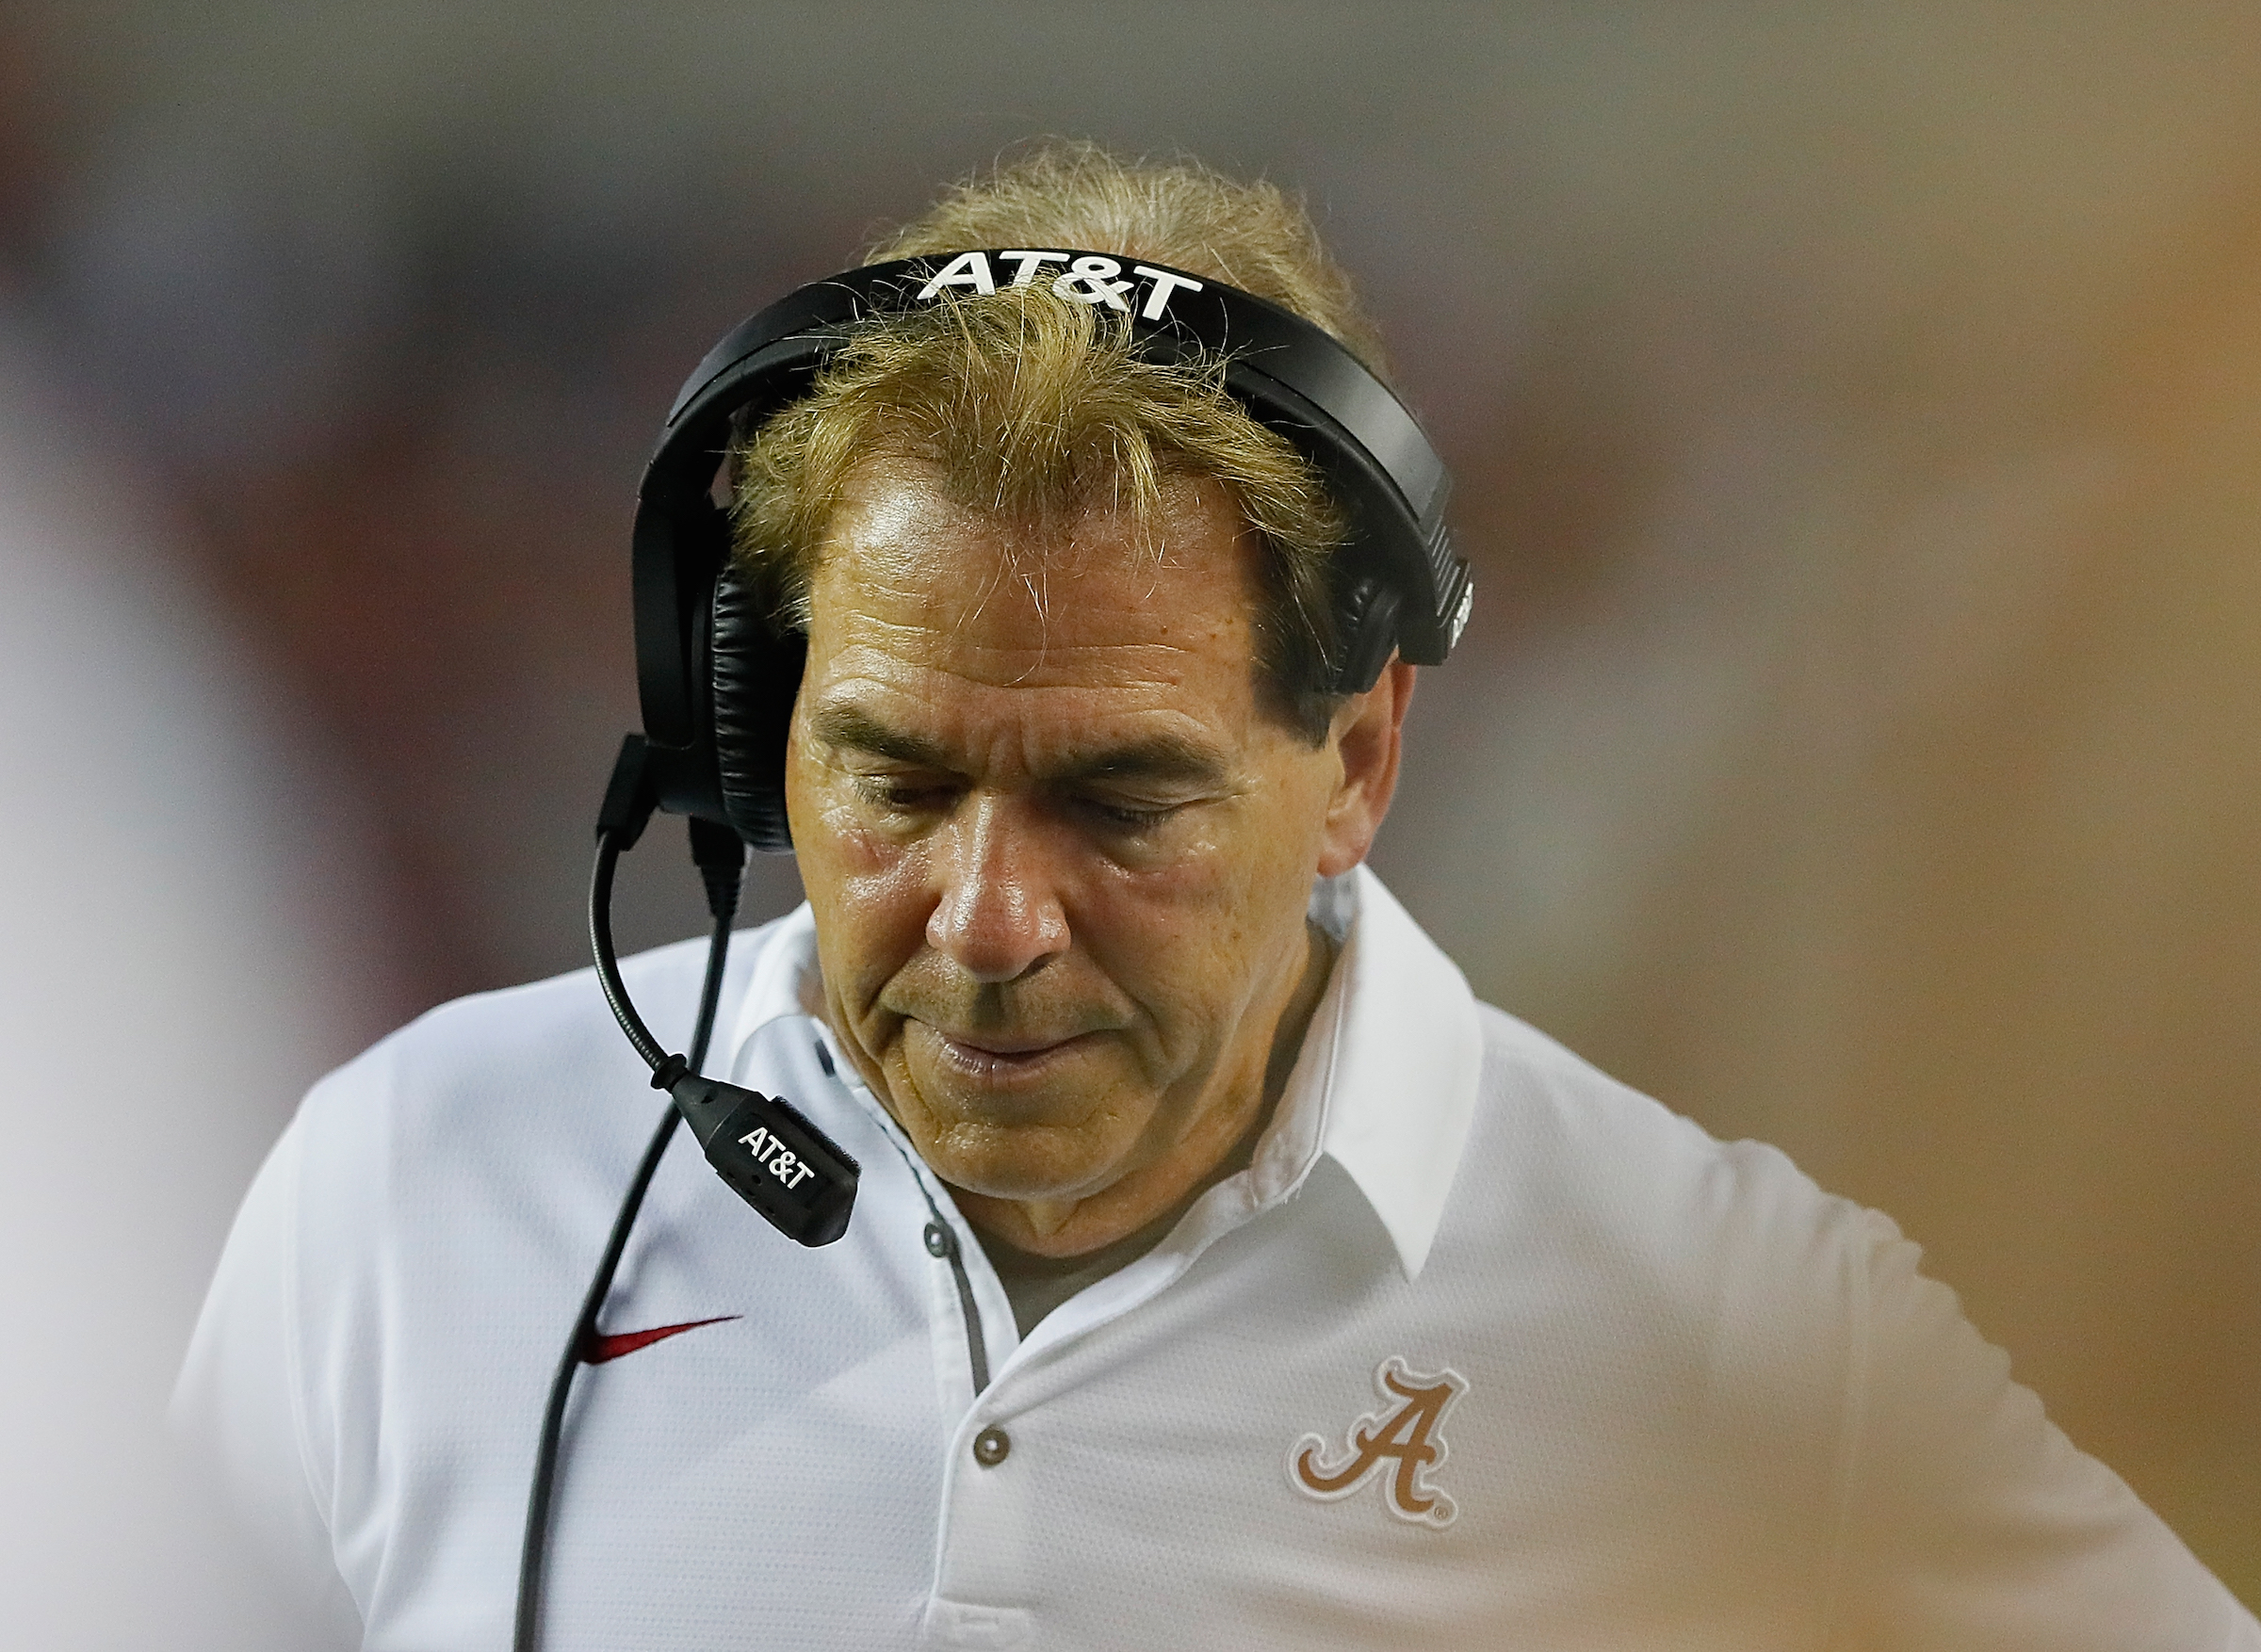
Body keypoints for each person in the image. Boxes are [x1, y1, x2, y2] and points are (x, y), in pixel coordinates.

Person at [174, 144, 2260, 1650]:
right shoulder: (408, 1182)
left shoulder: (1722, 1317)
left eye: (1119, 797)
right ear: (745, 732)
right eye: (893, 777)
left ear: (1355, 758)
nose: (988, 915)